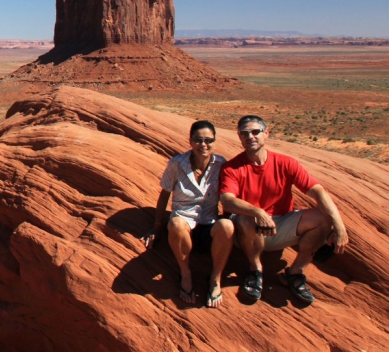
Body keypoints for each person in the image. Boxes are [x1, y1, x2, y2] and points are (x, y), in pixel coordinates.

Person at [219, 115, 349, 305]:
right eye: (245, 133)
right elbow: (228, 201)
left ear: (266, 133)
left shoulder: (286, 163)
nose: (250, 137)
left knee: (323, 217)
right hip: (250, 230)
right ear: (239, 136)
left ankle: (295, 272)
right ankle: (256, 271)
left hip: (282, 224)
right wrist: (259, 212)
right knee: (244, 218)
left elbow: (318, 192)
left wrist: (339, 227)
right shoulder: (232, 168)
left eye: (256, 132)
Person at [143, 120, 235, 308]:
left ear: (215, 141)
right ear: (191, 141)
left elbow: (227, 196)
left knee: (227, 225)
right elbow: (165, 194)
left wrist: (226, 229)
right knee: (176, 224)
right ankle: (185, 274)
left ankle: (215, 278)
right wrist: (156, 226)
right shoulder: (177, 164)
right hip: (183, 223)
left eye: (208, 140)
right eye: (198, 140)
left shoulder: (221, 164)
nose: (203, 144)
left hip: (208, 222)